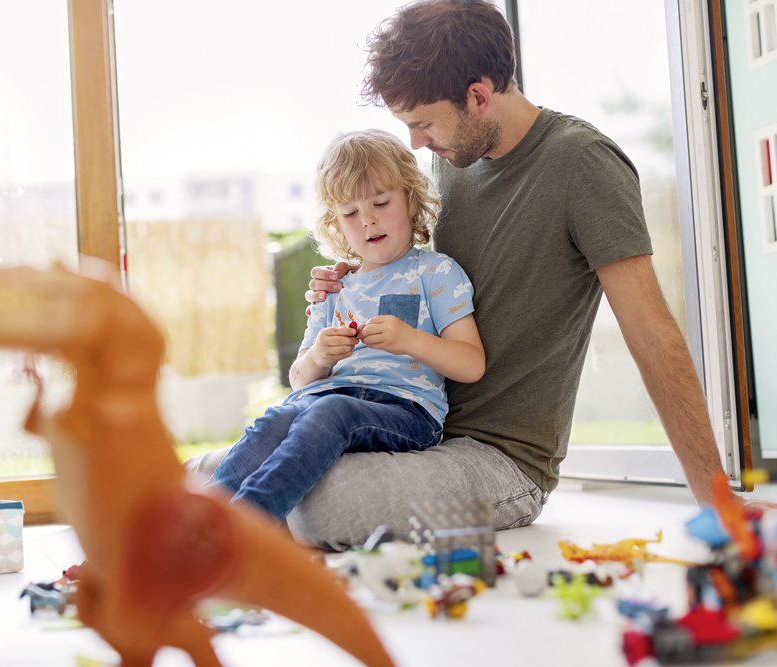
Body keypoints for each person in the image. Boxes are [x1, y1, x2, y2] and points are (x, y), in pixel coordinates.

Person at [191, 0, 732, 549]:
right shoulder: (452, 161)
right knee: (213, 471)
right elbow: (408, 274)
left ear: (478, 95)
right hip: (404, 427)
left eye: (423, 123)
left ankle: (228, 523)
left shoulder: (582, 164)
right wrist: (342, 283)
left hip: (500, 458)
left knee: (325, 508)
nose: (416, 143)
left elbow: (651, 334)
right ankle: (207, 516)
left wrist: (721, 505)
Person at [208, 128, 484, 522]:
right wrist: (320, 353)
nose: (368, 221)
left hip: (407, 411)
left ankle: (246, 527)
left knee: (328, 411)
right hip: (324, 398)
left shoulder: (436, 272)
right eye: (351, 213)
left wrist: (410, 340)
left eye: (381, 202)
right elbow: (301, 380)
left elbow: (472, 364)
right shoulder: (335, 286)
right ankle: (197, 521)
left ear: (410, 199)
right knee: (276, 419)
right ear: (335, 223)